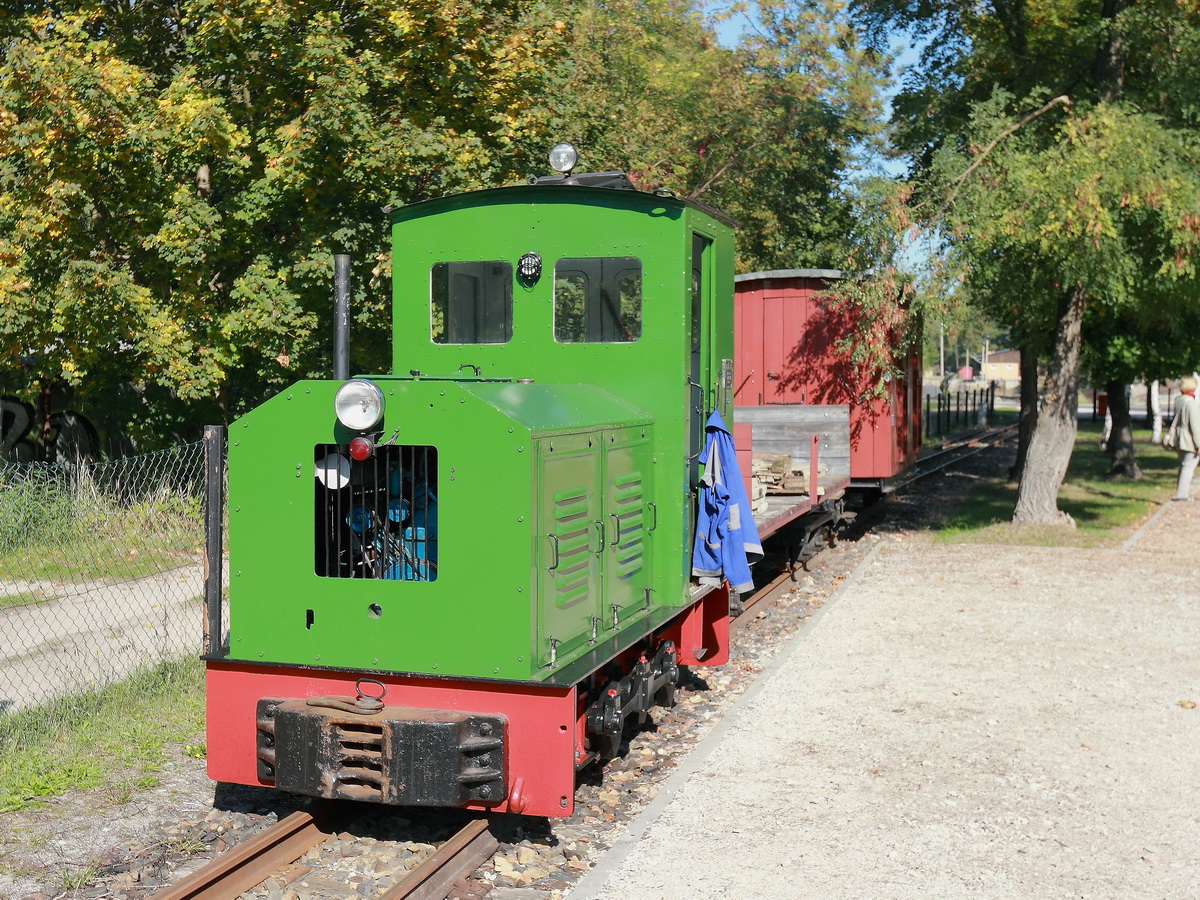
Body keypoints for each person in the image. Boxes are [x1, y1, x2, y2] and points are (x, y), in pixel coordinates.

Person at [1170, 374, 1200, 501]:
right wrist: (1199, 444)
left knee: (1183, 466)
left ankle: (1180, 492)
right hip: (1189, 440)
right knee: (1188, 467)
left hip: (1179, 438)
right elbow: (1195, 426)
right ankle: (1182, 494)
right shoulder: (1191, 403)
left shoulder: (1179, 400)